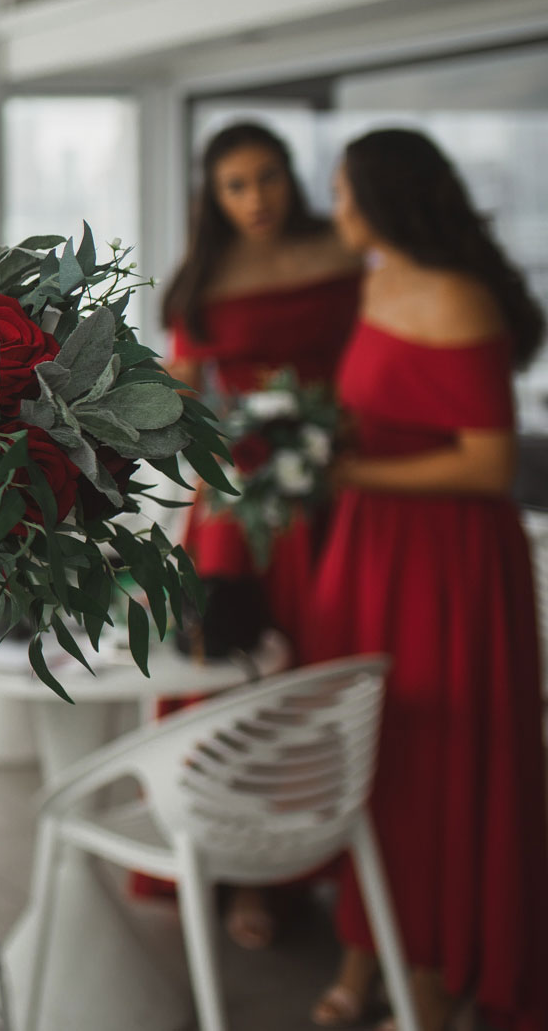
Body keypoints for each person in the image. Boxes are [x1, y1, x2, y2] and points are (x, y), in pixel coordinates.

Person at [304, 128, 548, 1031]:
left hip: (448, 562)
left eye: (344, 192)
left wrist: (349, 477)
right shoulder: (375, 280)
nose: (336, 210)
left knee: (438, 758)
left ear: (381, 198)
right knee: (376, 754)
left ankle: (438, 972)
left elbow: (488, 466)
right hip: (375, 546)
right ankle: (366, 953)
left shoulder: (459, 299)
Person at [157, 121, 361, 946]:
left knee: (321, 673)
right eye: (236, 184)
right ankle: (237, 864)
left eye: (268, 177)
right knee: (229, 685)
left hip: (335, 489)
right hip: (235, 503)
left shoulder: (344, 257)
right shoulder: (203, 278)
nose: (256, 198)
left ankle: (321, 859)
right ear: (214, 195)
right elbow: (181, 397)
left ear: (292, 177)